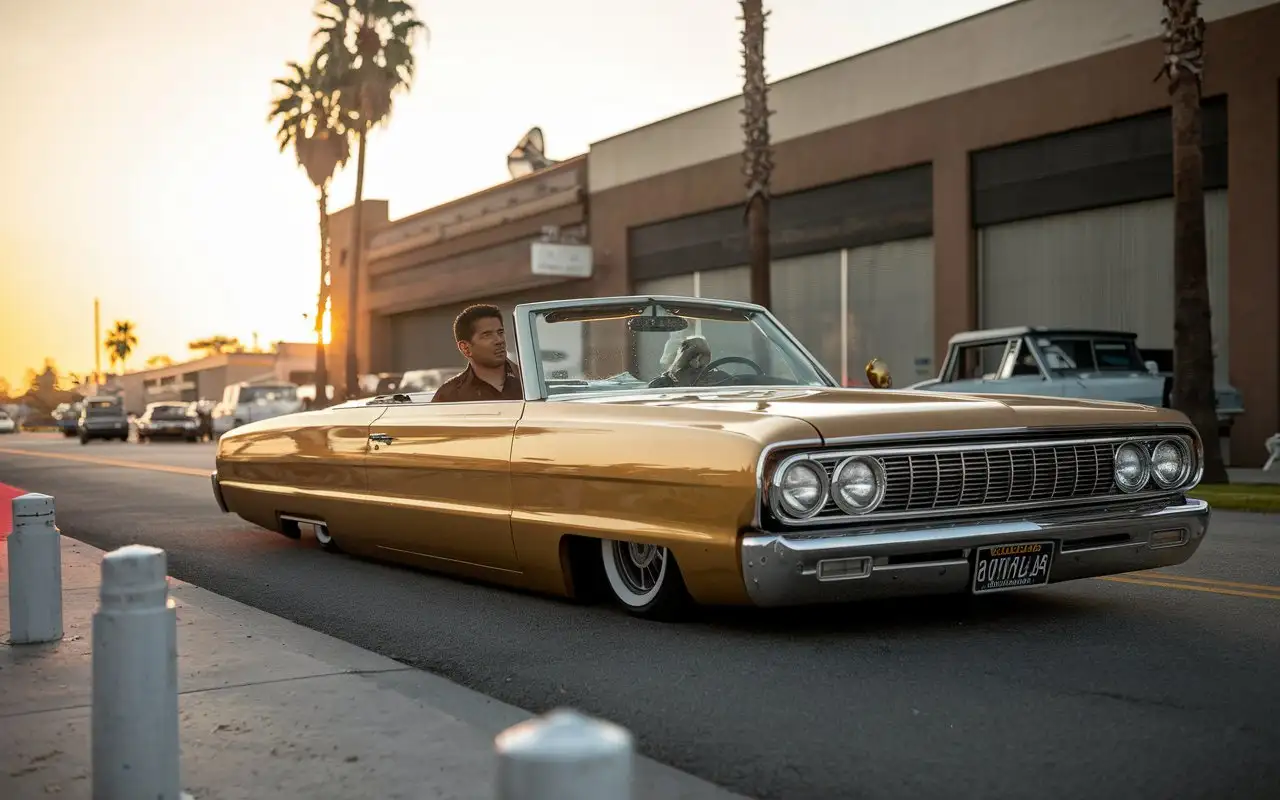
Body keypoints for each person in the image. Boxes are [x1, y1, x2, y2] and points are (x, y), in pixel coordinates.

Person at [431, 304, 523, 403]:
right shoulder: (450, 396)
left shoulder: (530, 382)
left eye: (500, 332)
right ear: (465, 348)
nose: (499, 340)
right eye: (487, 335)